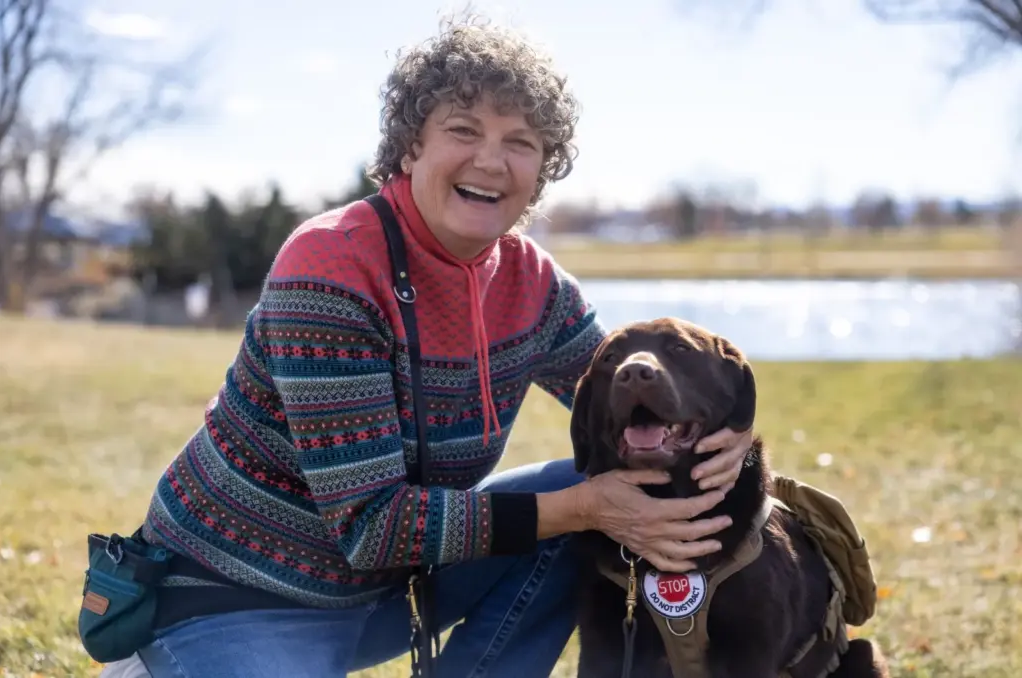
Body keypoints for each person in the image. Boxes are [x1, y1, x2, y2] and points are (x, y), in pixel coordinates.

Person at [110, 15, 754, 678]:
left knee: (589, 486)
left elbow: (620, 401)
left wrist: (724, 432)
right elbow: (371, 527)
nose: (491, 160)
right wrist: (585, 508)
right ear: (410, 147)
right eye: (463, 130)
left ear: (542, 168)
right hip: (234, 599)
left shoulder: (533, 283)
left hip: (386, 593)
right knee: (582, 501)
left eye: (521, 141)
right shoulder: (332, 267)